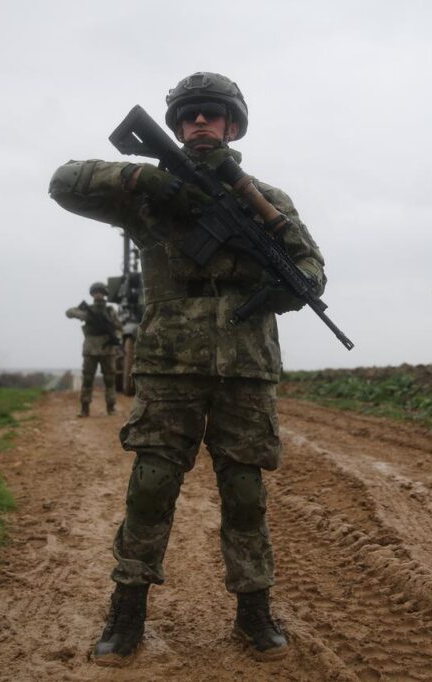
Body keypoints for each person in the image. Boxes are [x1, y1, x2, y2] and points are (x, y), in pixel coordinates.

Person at [48, 72, 326, 665]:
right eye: (189, 115)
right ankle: (127, 612)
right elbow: (64, 182)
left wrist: (275, 283)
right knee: (150, 488)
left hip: (246, 368)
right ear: (176, 126)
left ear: (232, 124)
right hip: (169, 366)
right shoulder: (151, 192)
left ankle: (253, 610)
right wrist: (141, 175)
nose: (200, 122)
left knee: (245, 492)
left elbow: (311, 270)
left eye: (212, 114)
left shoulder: (267, 200)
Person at [66, 282, 122, 417]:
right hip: (90, 348)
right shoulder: (87, 310)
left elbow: (119, 327)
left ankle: (111, 407)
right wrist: (82, 315)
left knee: (110, 379)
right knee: (87, 379)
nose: (99, 294)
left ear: (105, 294)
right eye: (96, 292)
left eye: (101, 292)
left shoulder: (110, 311)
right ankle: (85, 408)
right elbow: (69, 312)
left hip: (107, 348)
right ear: (92, 294)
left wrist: (116, 338)